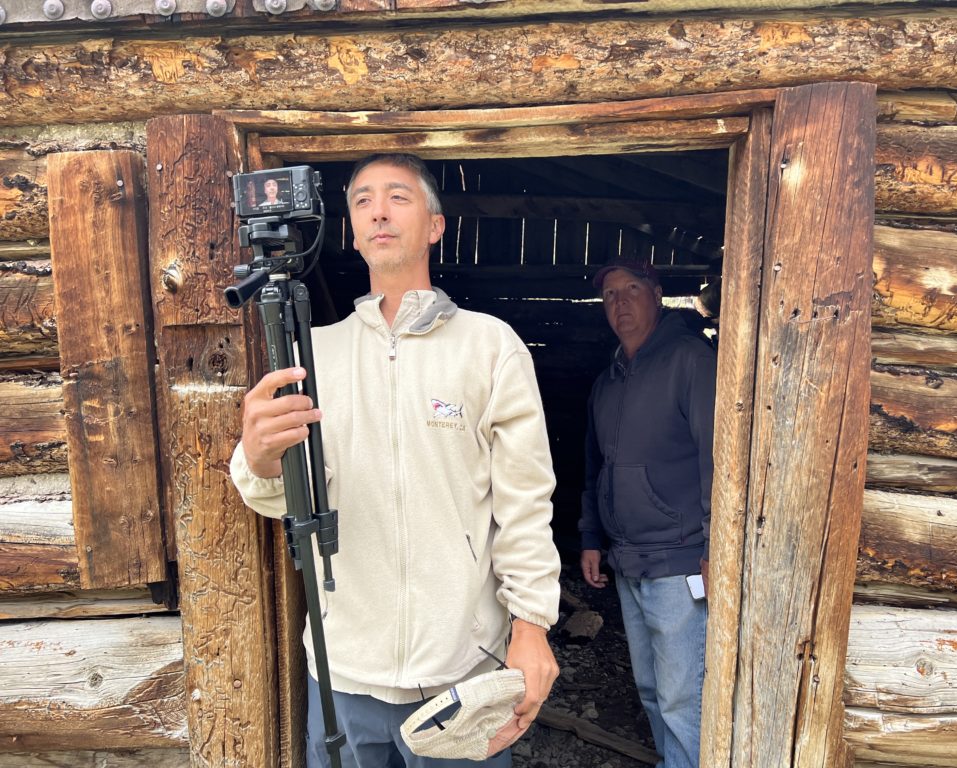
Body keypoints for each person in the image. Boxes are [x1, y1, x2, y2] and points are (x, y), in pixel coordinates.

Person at [230, 153, 561, 767]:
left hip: (462, 671)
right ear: (353, 233)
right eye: (363, 201)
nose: (379, 210)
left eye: (399, 197)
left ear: (435, 225)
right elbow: (284, 494)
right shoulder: (314, 354)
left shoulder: (489, 346)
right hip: (345, 670)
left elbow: (524, 502)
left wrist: (532, 626)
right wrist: (258, 459)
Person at [578, 258, 716, 768]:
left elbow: (716, 458)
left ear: (656, 294)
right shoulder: (607, 382)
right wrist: (592, 537)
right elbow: (597, 467)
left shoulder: (690, 361)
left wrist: (713, 548)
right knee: (652, 688)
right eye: (610, 294)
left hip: (680, 561)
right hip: (629, 561)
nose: (621, 302)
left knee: (683, 694)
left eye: (631, 288)